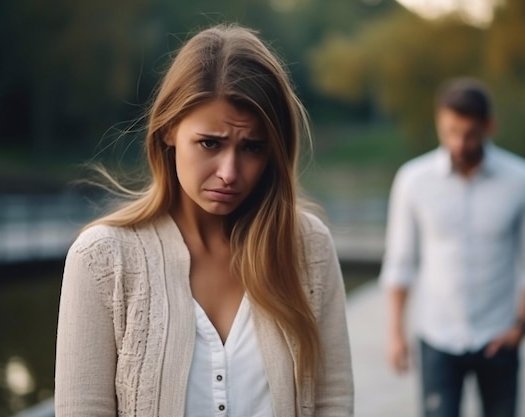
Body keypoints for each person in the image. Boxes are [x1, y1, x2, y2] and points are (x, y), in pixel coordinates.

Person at [55, 24, 354, 417]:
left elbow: (333, 401)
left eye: (252, 147)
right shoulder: (101, 260)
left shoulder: (308, 248)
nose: (230, 171)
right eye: (210, 143)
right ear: (168, 130)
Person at [379, 77, 525, 417]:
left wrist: (520, 328)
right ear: (439, 124)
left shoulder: (523, 180)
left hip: (499, 336)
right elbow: (400, 261)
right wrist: (396, 333)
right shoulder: (413, 180)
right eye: (450, 131)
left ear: (489, 126)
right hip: (437, 336)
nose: (459, 143)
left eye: (469, 133)